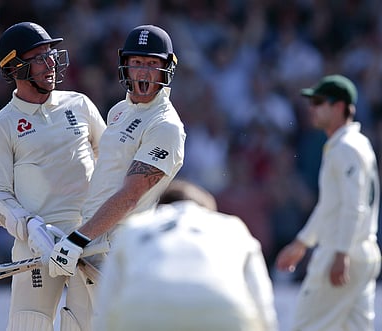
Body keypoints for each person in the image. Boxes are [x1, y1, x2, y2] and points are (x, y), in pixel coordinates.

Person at [47, 25, 186, 330]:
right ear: (125, 65)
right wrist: (73, 231)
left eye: (153, 64)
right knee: (73, 325)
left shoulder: (165, 126)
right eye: (138, 63)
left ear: (167, 68)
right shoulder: (119, 111)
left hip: (120, 249)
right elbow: (103, 178)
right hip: (91, 243)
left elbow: (131, 195)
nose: (144, 73)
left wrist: (79, 236)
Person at [0, 22, 106, 331]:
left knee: (85, 325)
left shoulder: (79, 104)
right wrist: (30, 227)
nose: (50, 63)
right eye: (38, 57)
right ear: (14, 67)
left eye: (50, 54)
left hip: (87, 239)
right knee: (29, 326)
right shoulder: (4, 125)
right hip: (36, 247)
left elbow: (111, 168)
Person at [92, 179, 279, 331]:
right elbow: (260, 295)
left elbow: (107, 296)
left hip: (145, 309)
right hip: (219, 308)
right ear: (207, 210)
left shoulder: (136, 225)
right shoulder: (230, 225)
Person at [276, 74, 381, 331]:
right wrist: (302, 242)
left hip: (342, 251)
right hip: (362, 252)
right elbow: (330, 206)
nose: (312, 109)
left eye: (319, 102)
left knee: (306, 326)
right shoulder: (355, 143)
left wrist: (342, 252)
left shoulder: (345, 147)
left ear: (340, 107)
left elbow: (353, 205)